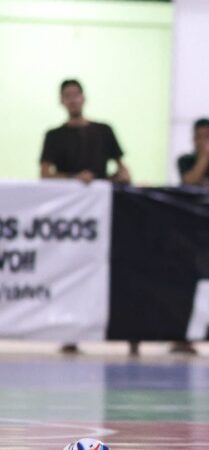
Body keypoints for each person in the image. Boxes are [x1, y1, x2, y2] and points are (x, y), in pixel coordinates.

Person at [40, 79, 132, 355]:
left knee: (114, 268)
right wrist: (74, 178)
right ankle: (70, 331)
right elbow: (45, 174)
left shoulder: (103, 131)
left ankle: (130, 335)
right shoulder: (54, 136)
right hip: (72, 219)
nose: (72, 99)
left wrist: (114, 179)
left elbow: (123, 170)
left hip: (103, 213)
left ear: (83, 97)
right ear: (61, 101)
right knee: (70, 270)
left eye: (76, 94)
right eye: (67, 95)